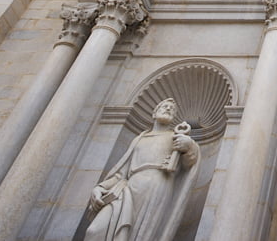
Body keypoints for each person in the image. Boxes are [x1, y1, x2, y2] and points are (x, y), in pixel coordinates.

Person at [84, 98, 200, 241]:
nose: (169, 109)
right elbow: (121, 173)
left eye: (172, 109)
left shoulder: (175, 137)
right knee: (94, 231)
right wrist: (101, 187)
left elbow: (189, 163)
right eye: (165, 106)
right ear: (154, 113)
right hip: (127, 189)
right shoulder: (140, 138)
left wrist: (189, 146)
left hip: (156, 187)